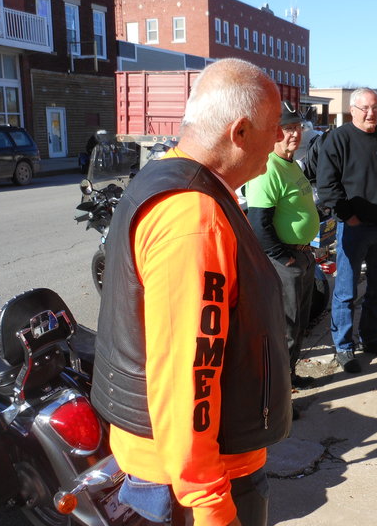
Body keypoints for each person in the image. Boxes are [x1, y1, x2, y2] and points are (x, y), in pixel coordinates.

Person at [90, 58, 291, 526]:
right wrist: (209, 503)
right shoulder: (193, 217)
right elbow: (187, 371)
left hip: (186, 468)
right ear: (239, 133)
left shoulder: (176, 179)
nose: (280, 138)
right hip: (198, 481)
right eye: (275, 125)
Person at [317, 87, 377, 373]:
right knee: (346, 290)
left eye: (375, 107)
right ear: (352, 109)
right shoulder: (339, 139)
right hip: (356, 229)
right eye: (365, 108)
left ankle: (371, 339)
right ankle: (343, 347)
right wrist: (348, 216)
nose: (371, 113)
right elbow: (327, 185)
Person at [245, 102, 320, 392]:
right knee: (285, 329)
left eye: (298, 127)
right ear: (273, 133)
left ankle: (289, 377)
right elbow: (259, 225)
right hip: (286, 261)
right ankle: (277, 395)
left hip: (302, 255)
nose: (295, 134)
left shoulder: (291, 164)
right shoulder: (268, 170)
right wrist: (284, 257)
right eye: (288, 129)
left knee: (299, 323)